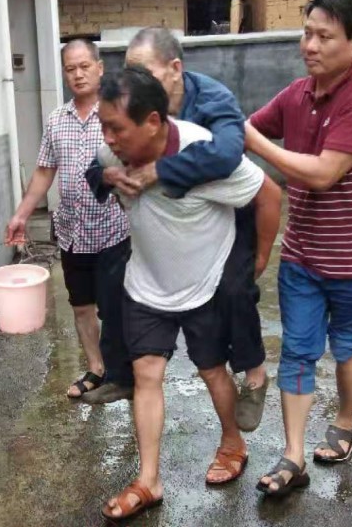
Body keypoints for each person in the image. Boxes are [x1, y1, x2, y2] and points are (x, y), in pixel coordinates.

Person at [94, 67, 282, 522]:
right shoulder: (111, 154)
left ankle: (232, 442)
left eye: (116, 127)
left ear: (154, 122)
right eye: (103, 127)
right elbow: (98, 173)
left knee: (212, 371)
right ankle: (149, 480)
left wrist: (257, 259)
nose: (108, 139)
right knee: (146, 375)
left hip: (204, 283)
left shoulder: (206, 155)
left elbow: (269, 193)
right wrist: (108, 178)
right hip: (147, 285)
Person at [245, 0, 352, 497]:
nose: (309, 45)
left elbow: (324, 173)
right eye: (306, 33)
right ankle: (293, 456)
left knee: (348, 347)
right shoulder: (295, 95)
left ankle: (346, 425)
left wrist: (256, 143)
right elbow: (244, 128)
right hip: (304, 258)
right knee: (298, 352)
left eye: (323, 36)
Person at [85, 27, 272, 432]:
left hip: (225, 211)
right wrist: (110, 175)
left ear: (174, 69)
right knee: (116, 275)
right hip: (168, 222)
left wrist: (160, 170)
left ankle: (254, 376)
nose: (138, 83)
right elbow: (97, 167)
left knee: (235, 290)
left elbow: (225, 156)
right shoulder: (129, 113)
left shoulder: (212, 101)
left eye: (145, 72)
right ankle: (122, 374)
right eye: (131, 72)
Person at [5, 40, 132, 402]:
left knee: (115, 307)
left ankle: (124, 376)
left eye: (84, 67)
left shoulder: (116, 113)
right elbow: (45, 172)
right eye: (70, 69)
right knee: (81, 305)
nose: (77, 74)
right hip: (72, 231)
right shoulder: (57, 120)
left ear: (99, 68)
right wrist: (21, 214)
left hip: (112, 230)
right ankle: (97, 368)